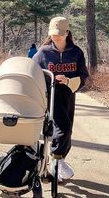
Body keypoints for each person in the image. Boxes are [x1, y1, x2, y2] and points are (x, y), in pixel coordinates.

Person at [32, 16, 89, 182]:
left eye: (59, 34)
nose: (56, 37)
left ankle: (59, 159)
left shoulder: (76, 52)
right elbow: (32, 70)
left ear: (67, 33)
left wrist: (69, 81)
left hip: (68, 94)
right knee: (61, 126)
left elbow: (83, 75)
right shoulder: (43, 52)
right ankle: (56, 159)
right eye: (53, 34)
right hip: (49, 95)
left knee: (67, 128)